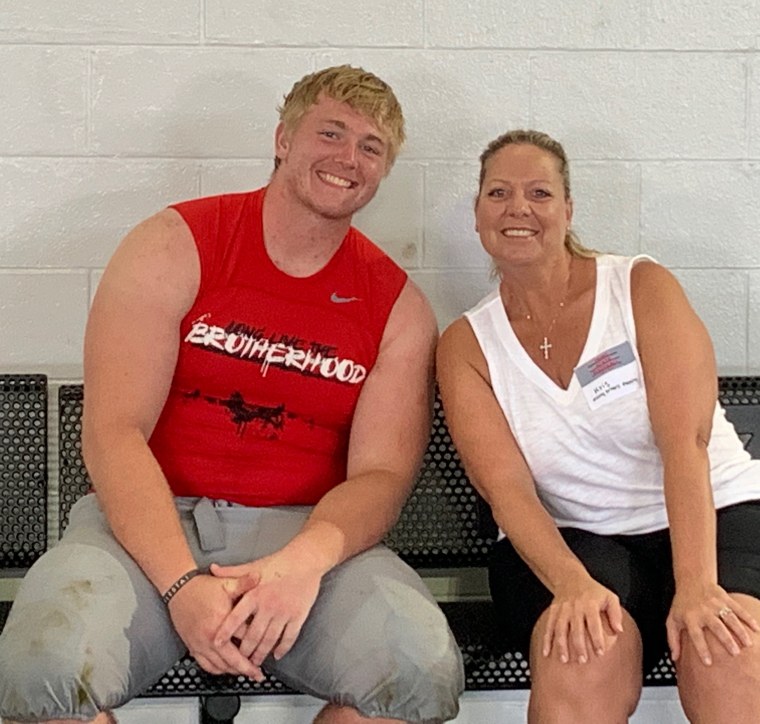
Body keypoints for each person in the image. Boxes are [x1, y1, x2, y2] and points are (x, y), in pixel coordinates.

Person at [0, 65, 464, 724]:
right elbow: (114, 433)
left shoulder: (398, 307)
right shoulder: (174, 243)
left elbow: (382, 475)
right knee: (45, 671)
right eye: (330, 133)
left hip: (307, 538)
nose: (347, 158)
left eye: (371, 147)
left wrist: (301, 566)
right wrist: (183, 585)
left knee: (417, 673)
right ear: (283, 138)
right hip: (147, 529)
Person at [436, 128, 760, 723]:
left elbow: (686, 444)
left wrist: (696, 585)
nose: (518, 209)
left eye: (539, 192)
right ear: (479, 213)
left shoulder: (640, 287)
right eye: (498, 192)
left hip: (709, 515)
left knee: (728, 655)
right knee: (583, 652)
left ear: (567, 209)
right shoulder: (466, 345)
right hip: (573, 535)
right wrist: (571, 584)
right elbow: (506, 490)